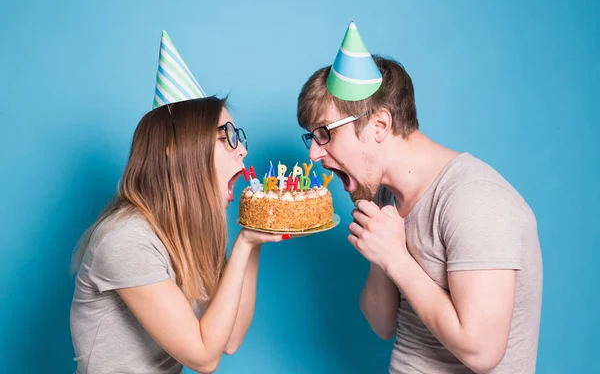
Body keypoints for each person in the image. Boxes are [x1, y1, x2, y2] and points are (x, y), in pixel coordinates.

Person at [297, 21, 543, 373]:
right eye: (311, 138)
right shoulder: (384, 195)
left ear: (379, 125)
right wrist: (381, 252)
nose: (313, 155)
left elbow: (482, 353)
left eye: (324, 134)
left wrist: (395, 258)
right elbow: (381, 325)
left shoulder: (475, 200)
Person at [70, 31, 288, 373]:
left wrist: (255, 238)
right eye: (227, 137)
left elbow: (229, 339)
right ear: (177, 153)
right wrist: (244, 243)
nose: (242, 149)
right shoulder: (126, 239)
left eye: (239, 137)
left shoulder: (189, 234)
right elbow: (204, 357)